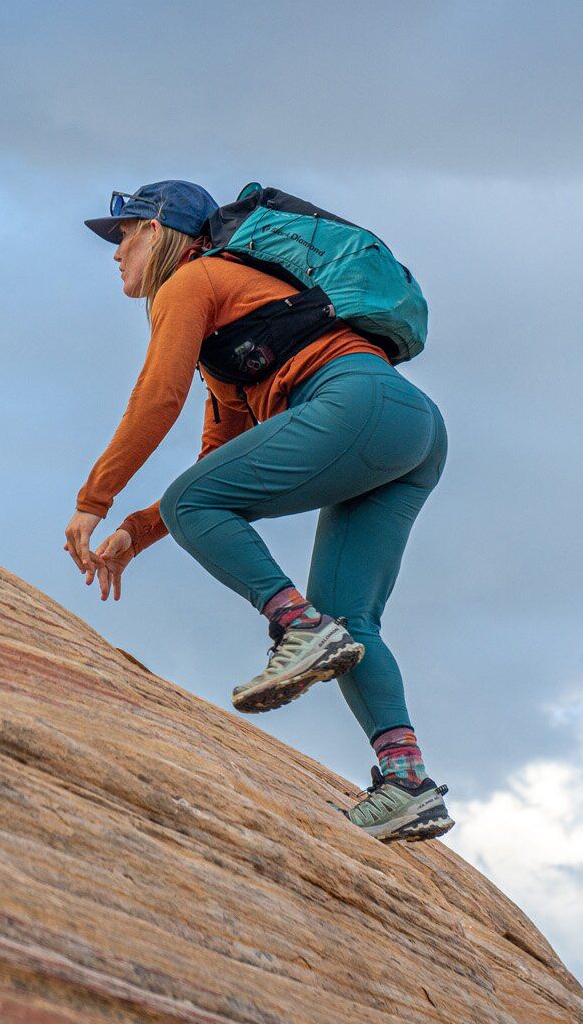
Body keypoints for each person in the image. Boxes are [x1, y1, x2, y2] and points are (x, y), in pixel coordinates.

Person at [63, 179, 453, 843]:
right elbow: (223, 454)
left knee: (212, 516)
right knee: (352, 618)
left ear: (157, 232)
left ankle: (297, 629)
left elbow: (158, 398)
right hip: (412, 426)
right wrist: (138, 530)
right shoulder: (238, 320)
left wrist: (93, 501)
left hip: (351, 400)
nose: (115, 251)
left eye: (123, 233)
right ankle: (407, 781)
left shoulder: (189, 284)